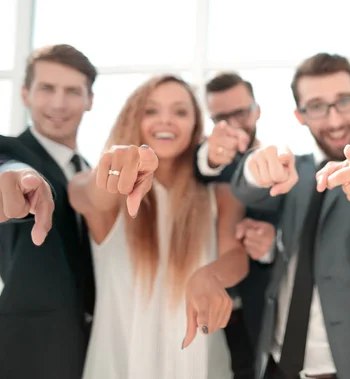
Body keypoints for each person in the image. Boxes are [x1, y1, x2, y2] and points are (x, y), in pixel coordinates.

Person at [230, 53, 350, 379]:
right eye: (317, 106)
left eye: (343, 101)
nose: (334, 121)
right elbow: (246, 191)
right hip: (278, 362)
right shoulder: (294, 169)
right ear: (299, 115)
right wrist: (255, 167)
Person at [68, 75, 249, 379]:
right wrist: (112, 167)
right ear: (133, 117)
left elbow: (237, 256)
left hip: (201, 364)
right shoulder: (104, 190)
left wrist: (210, 275)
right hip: (119, 365)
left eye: (180, 111)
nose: (166, 120)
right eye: (151, 110)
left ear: (195, 125)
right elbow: (89, 194)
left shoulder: (218, 192)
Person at [0, 44, 97, 379]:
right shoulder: (11, 153)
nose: (59, 103)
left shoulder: (92, 172)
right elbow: (11, 169)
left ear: (90, 100)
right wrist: (21, 183)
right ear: (26, 94)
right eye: (47, 89)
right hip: (31, 356)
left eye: (72, 91)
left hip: (95, 351)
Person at [195, 72, 278, 378]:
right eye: (221, 117)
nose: (233, 124)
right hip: (202, 308)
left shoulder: (279, 164)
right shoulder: (204, 157)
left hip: (259, 308)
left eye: (241, 112)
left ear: (257, 110)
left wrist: (271, 242)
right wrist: (212, 157)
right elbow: (202, 166)